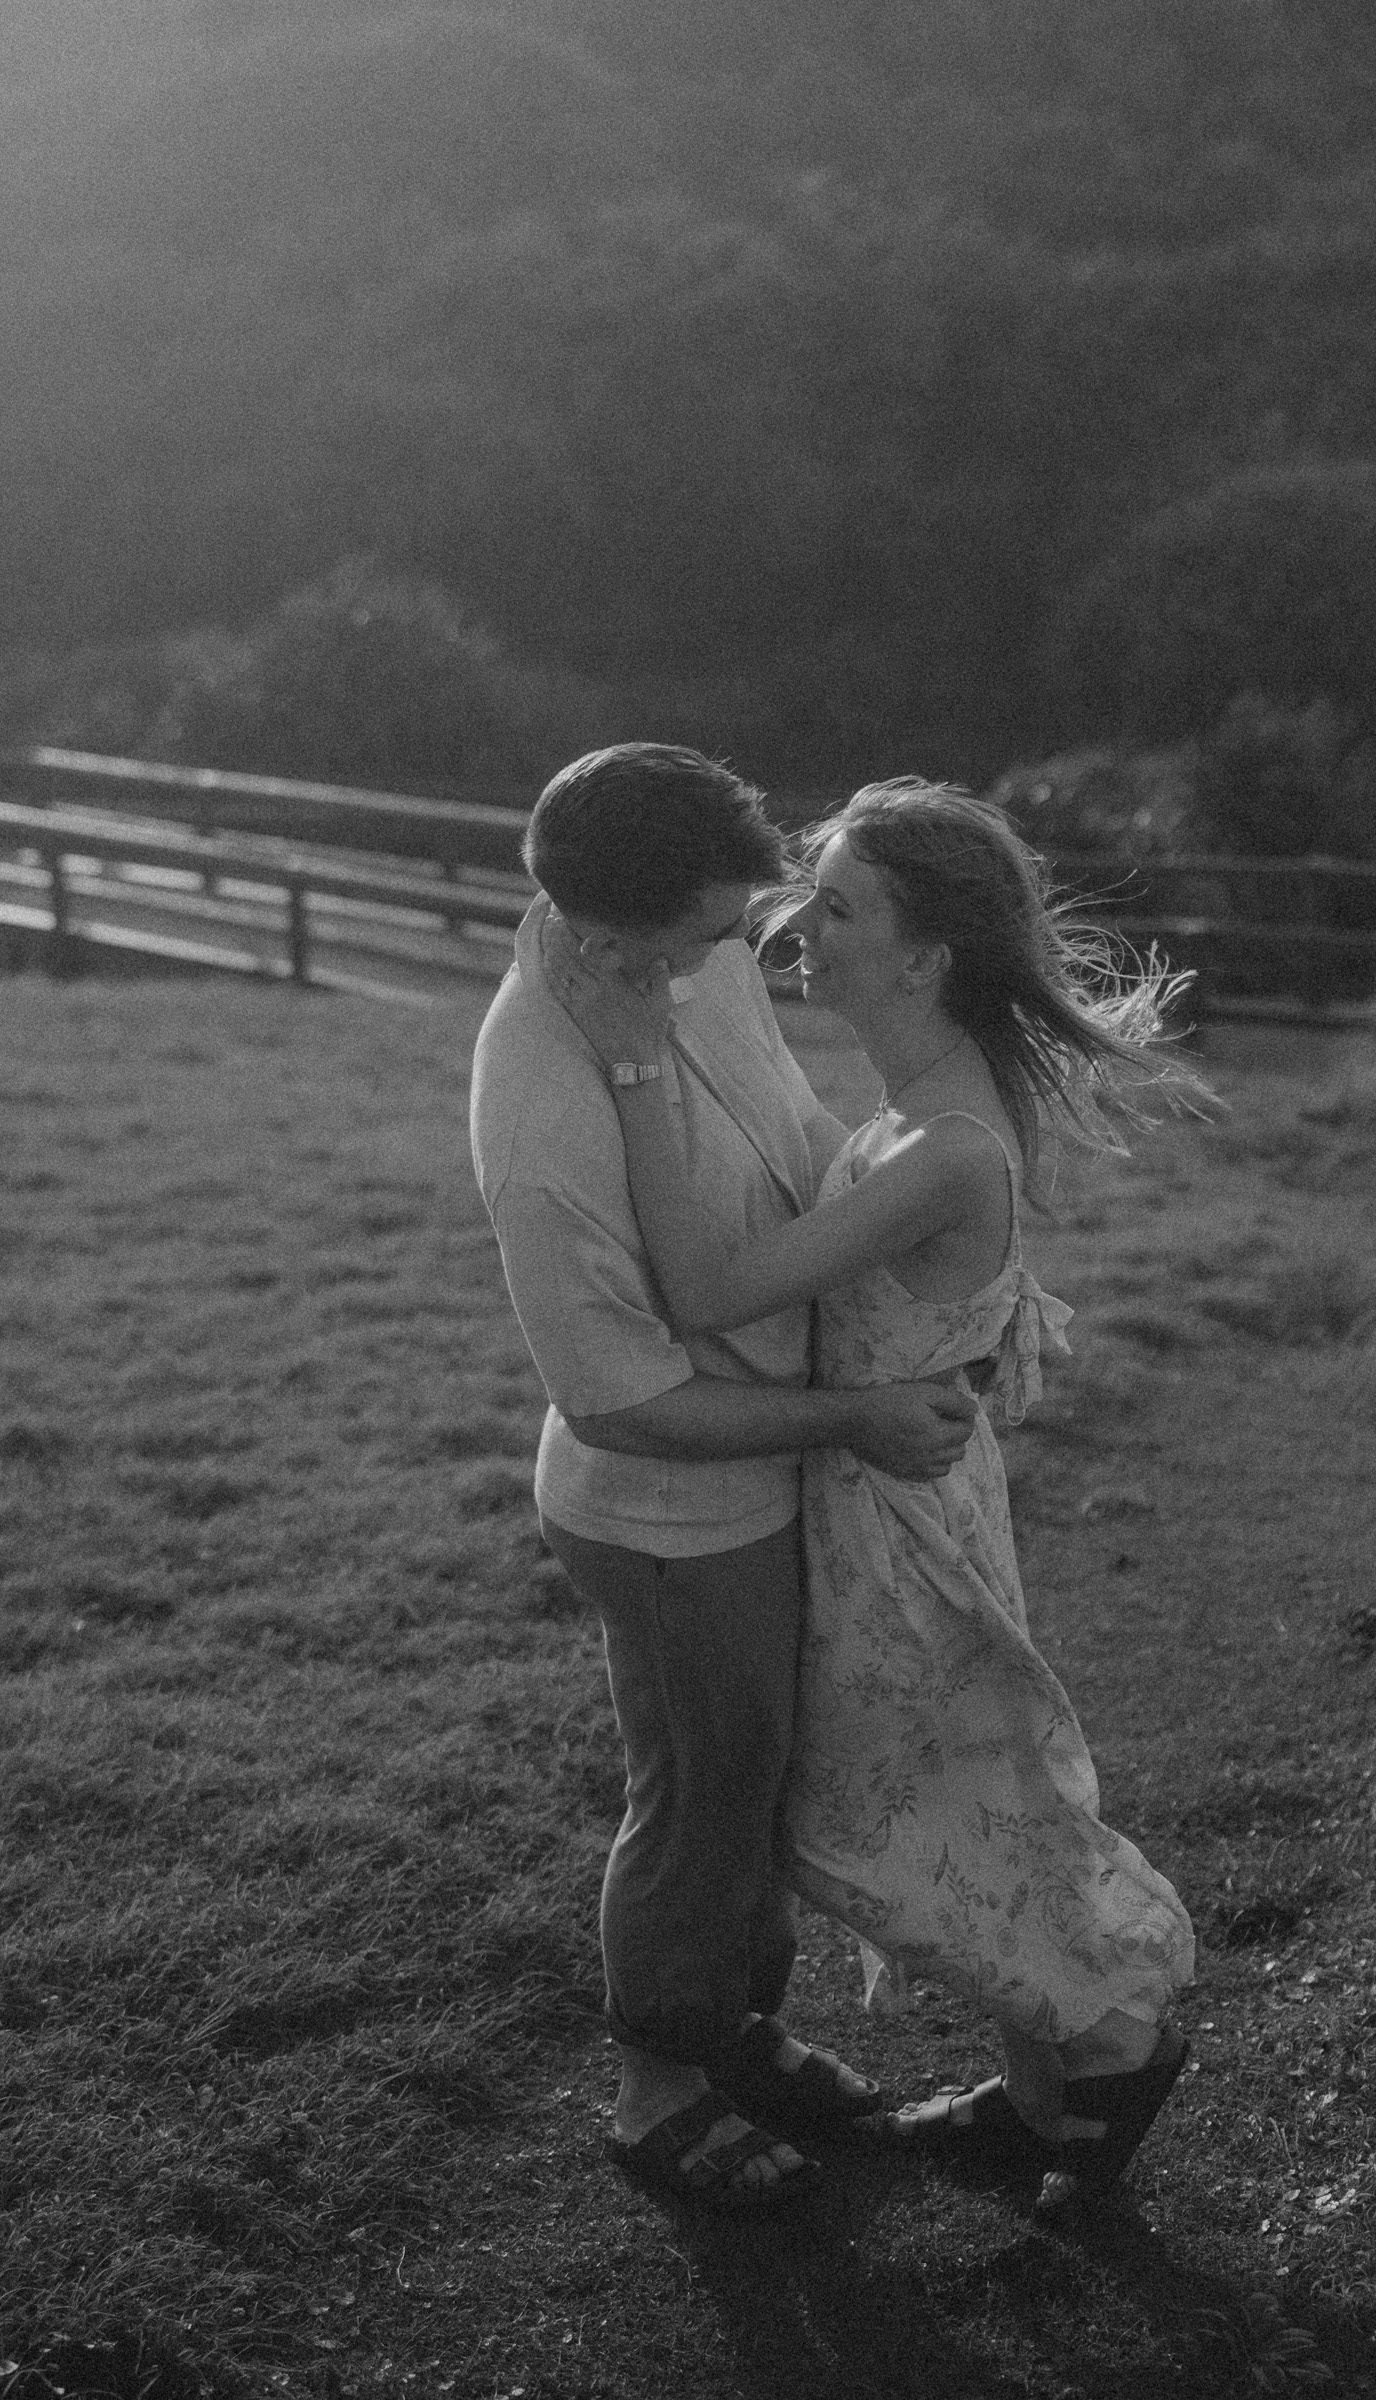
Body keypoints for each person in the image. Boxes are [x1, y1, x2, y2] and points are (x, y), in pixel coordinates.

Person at [553, 776, 1201, 2205]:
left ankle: (1108, 2040)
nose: (797, 925)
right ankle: (1049, 2095)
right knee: (963, 1785)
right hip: (894, 1502)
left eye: (836, 905)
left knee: (910, 1801)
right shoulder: (927, 1106)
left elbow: (708, 1288)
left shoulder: (942, 1145)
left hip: (903, 1530)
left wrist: (636, 1057)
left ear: (924, 958)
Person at [469, 744, 981, 2215]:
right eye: (711, 929)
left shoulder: (687, 961)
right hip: (669, 1512)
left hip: (764, 1475)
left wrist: (920, 1238)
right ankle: (659, 2087)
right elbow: (621, 1400)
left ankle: (734, 2032)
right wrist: (854, 1419)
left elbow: (794, 1141)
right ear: (613, 932)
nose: (743, 948)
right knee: (701, 1794)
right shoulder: (544, 1109)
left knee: (754, 1782)